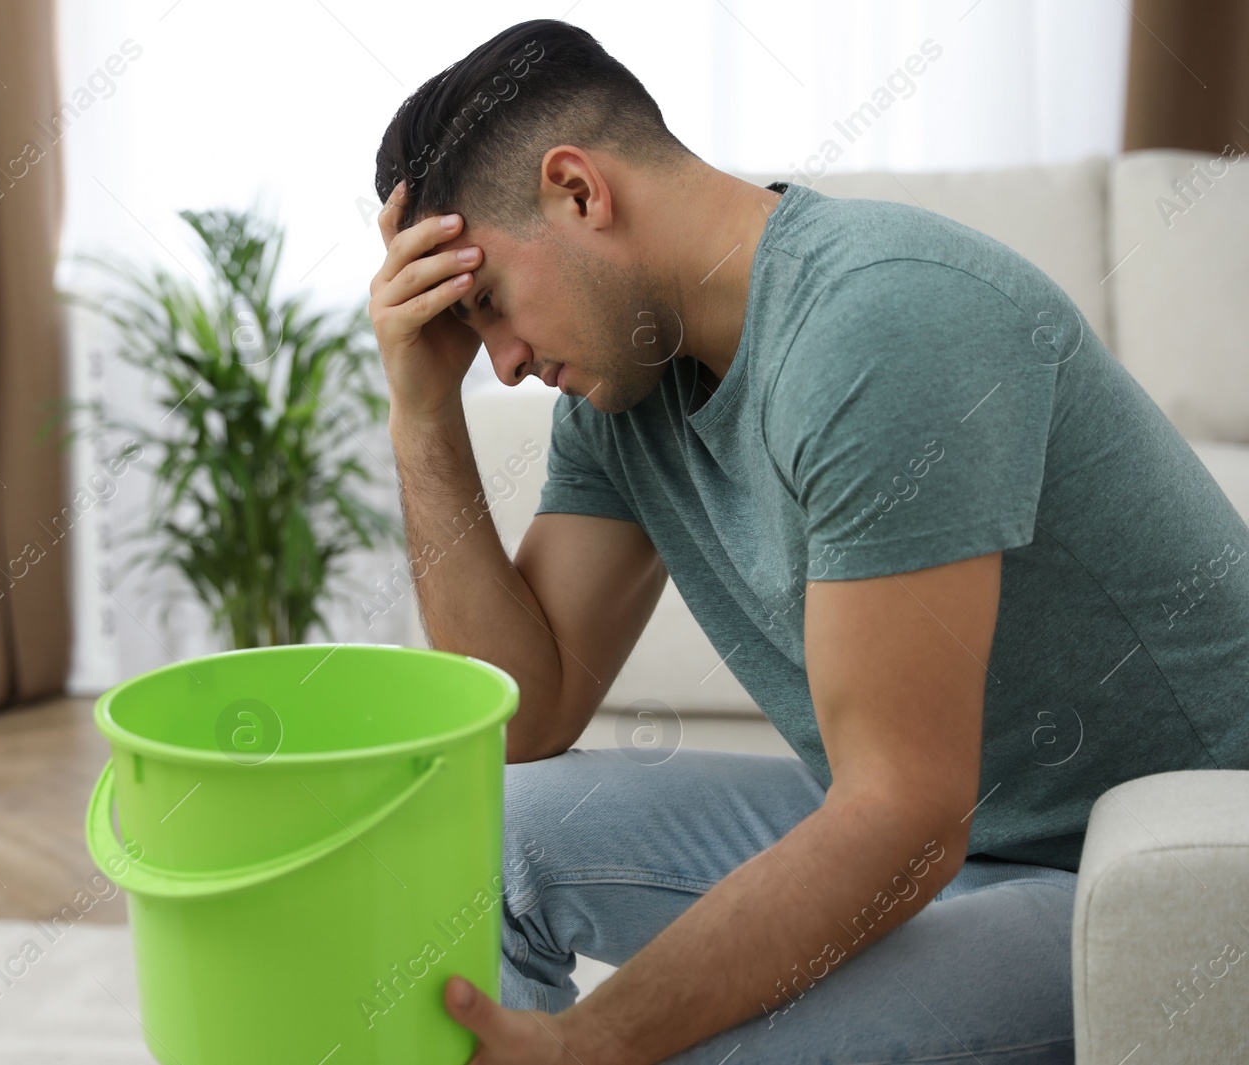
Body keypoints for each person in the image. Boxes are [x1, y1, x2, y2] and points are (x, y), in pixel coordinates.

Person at [367, 18, 1249, 1065]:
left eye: (488, 306)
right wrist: (422, 414)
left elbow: (903, 819)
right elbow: (520, 717)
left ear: (578, 191)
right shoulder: (621, 399)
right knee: (481, 837)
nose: (500, 364)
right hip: (956, 841)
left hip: (1144, 869)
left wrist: (590, 1042)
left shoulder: (881, 319)